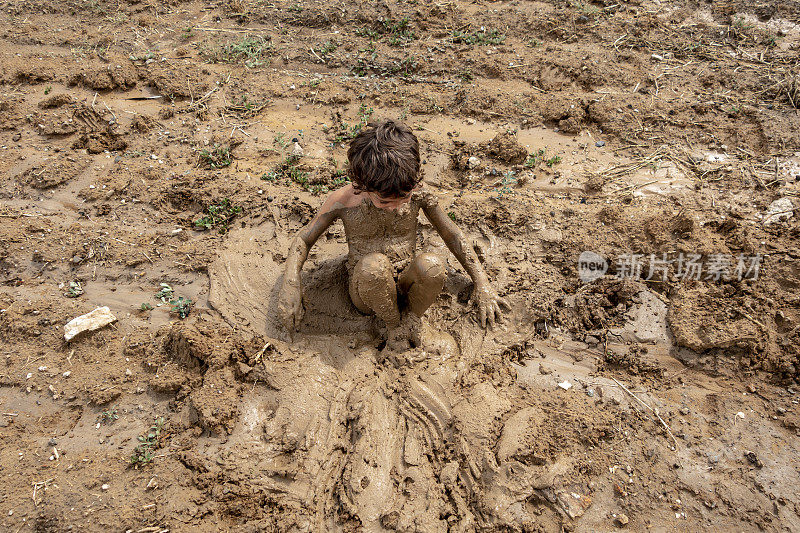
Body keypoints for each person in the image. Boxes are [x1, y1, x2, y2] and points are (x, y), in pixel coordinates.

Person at [276, 119, 507, 351]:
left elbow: (453, 235)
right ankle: (393, 327)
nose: (394, 207)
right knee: (374, 268)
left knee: (433, 266)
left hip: (408, 283)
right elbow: (303, 239)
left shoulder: (419, 194)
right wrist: (291, 284)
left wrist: (482, 283)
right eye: (384, 201)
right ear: (361, 184)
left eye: (403, 199)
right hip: (366, 290)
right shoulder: (344, 201)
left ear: (415, 182)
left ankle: (412, 320)